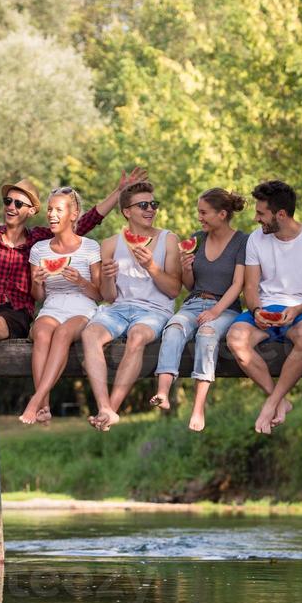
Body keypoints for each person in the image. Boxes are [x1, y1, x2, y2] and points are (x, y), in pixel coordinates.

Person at [0, 115, 145, 394]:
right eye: (8, 200)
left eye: (18, 203)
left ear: (31, 211)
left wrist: (118, 193)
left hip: (13, 313)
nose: (11, 206)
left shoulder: (39, 240)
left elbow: (86, 221)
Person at [226, 179, 302, 435]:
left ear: (281, 214)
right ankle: (279, 399)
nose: (256, 218)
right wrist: (256, 311)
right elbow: (250, 288)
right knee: (235, 338)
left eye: (261, 213)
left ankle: (270, 404)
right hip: (264, 310)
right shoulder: (256, 240)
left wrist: (297, 309)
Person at [82, 181, 181, 430]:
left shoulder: (169, 240)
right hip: (119, 309)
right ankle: (103, 406)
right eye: (143, 205)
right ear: (127, 211)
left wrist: (152, 267)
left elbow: (174, 290)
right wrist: (106, 275)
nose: (151, 209)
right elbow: (109, 296)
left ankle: (111, 410)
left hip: (155, 311)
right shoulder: (110, 244)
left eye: (153, 204)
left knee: (137, 337)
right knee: (90, 334)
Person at [151, 188, 248, 431]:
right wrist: (186, 269)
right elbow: (190, 285)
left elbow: (238, 285)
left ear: (222, 214)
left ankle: (198, 408)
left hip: (225, 308)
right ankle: (162, 392)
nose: (199, 217)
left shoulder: (242, 241)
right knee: (173, 328)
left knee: (207, 334)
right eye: (198, 212)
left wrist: (215, 313)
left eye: (204, 213)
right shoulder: (198, 238)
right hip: (194, 302)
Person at [19, 188, 102, 425]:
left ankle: (35, 401)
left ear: (74, 214)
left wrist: (81, 281)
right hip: (52, 305)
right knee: (42, 333)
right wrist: (37, 283)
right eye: (49, 210)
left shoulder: (90, 247)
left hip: (82, 306)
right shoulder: (39, 250)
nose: (52, 215)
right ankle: (44, 407)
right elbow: (39, 296)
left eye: (59, 210)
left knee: (64, 333)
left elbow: (100, 294)